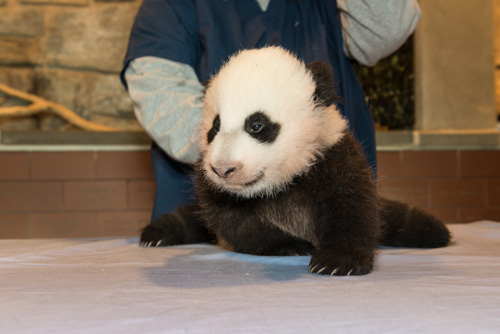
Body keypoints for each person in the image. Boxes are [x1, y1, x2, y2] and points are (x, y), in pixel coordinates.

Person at [121, 0, 421, 223]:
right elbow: (163, 102)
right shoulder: (170, 6)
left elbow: (390, 29)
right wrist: (246, 157)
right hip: (213, 226)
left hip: (331, 215)